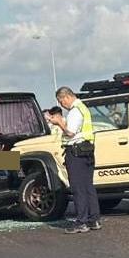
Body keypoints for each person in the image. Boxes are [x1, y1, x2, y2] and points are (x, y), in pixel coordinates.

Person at [47, 87, 101, 234]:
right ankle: (93, 219)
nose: (61, 104)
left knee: (78, 188)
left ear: (65, 97)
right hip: (87, 150)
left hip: (76, 152)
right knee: (88, 186)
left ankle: (81, 222)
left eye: (60, 101)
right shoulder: (83, 108)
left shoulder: (75, 110)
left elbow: (70, 132)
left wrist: (59, 123)